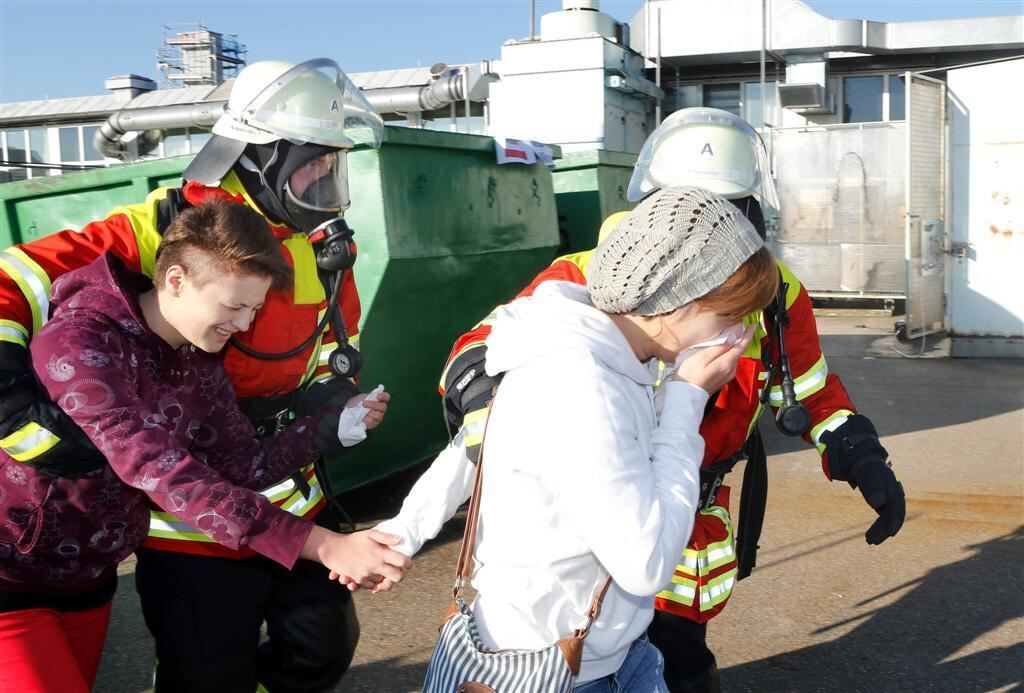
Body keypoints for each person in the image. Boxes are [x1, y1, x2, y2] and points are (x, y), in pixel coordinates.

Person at [437, 108, 906, 693]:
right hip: (595, 524)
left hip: (689, 512)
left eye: (724, 217)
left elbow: (806, 387)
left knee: (676, 656)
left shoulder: (772, 291)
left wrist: (860, 453)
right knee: (589, 655)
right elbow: (481, 357)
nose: (706, 241)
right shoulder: (592, 273)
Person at [0, 58, 387, 691]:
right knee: (205, 667)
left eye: (331, 168)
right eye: (309, 165)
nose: (322, 184)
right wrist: (8, 405)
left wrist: (329, 417)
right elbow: (15, 278)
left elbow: (327, 349)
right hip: (154, 514)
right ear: (261, 158)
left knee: (319, 645)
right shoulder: (167, 235)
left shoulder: (316, 252)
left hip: (143, 540)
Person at [385, 186, 776, 691]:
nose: (739, 334)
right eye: (728, 316)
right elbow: (646, 564)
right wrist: (687, 397)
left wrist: (402, 532)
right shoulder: (582, 379)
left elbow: (473, 444)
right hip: (551, 665)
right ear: (677, 301)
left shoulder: (600, 347)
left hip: (614, 648)